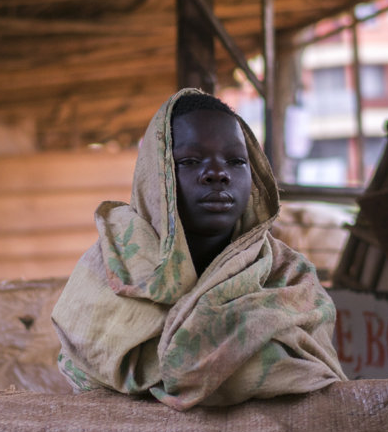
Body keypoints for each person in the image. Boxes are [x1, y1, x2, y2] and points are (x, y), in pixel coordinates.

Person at [51, 88, 346, 410]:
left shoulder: (289, 276)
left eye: (236, 161)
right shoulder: (109, 268)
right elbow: (87, 364)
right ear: (156, 176)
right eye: (190, 161)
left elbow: (314, 378)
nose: (218, 174)